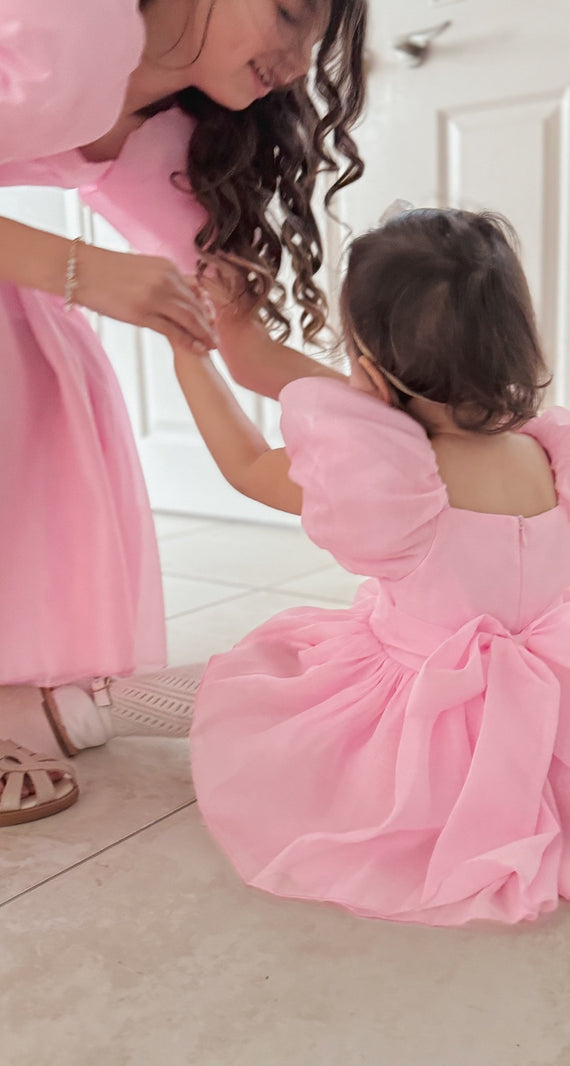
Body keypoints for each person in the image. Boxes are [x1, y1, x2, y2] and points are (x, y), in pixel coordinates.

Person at [174, 206, 570, 926]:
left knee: (265, 680)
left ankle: (100, 707)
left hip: (425, 700)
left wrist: (189, 355)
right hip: (559, 690)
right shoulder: (560, 457)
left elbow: (248, 465)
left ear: (370, 375)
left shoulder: (398, 486)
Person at [0, 0, 367, 826]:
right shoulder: (69, 24)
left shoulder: (171, 135)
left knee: (43, 342)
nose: (301, 59)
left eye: (316, 38)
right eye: (289, 13)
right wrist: (78, 268)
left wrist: (409, 423)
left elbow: (241, 344)